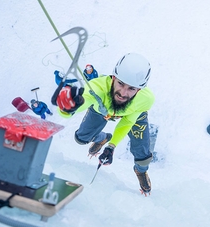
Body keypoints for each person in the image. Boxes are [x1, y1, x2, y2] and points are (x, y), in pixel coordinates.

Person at [54, 53, 155, 196]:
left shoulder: (145, 99)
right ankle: (101, 138)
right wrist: (70, 106)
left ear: (139, 90)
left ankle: (141, 170)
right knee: (81, 138)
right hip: (101, 109)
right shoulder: (98, 87)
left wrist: (111, 147)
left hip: (134, 113)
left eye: (131, 88)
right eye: (120, 83)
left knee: (142, 152)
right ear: (113, 78)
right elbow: (86, 98)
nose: (123, 93)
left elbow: (127, 122)